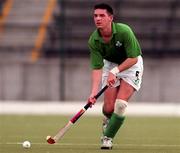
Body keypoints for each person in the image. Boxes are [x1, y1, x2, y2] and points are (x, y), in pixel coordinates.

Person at [88, 3, 143, 150]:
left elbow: (133, 58)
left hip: (131, 65)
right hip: (110, 65)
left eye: (102, 15)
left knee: (120, 104)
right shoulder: (94, 40)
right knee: (108, 108)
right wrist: (93, 92)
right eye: (95, 16)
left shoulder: (124, 31)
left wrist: (116, 71)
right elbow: (97, 67)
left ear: (110, 18)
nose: (98, 19)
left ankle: (107, 138)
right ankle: (107, 120)